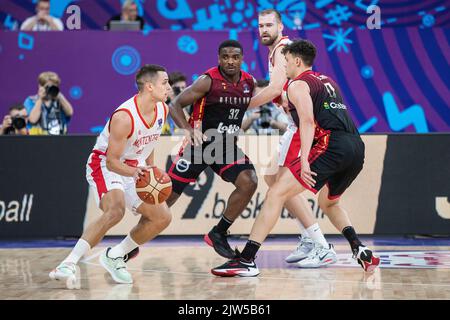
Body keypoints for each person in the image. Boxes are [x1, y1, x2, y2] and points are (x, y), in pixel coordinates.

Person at [212, 39, 380, 277]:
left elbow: (309, 121)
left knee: (276, 192)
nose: (285, 66)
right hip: (355, 147)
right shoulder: (327, 81)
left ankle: (247, 259)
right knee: (329, 202)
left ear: (297, 61)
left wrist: (303, 161)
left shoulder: (297, 84)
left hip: (331, 146)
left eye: (287, 61)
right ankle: (358, 247)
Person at [126, 40, 258, 261]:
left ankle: (218, 233)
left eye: (235, 57)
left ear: (242, 59)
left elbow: (251, 102)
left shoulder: (248, 82)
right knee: (165, 198)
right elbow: (175, 104)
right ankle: (130, 244)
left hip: (225, 146)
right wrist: (187, 129)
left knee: (249, 181)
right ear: (219, 58)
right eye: (225, 57)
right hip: (198, 146)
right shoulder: (207, 80)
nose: (230, 61)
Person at [49, 64, 172, 288]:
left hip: (137, 167)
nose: (169, 87)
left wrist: (151, 170)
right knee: (116, 210)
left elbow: (150, 142)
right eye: (165, 83)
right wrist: (136, 172)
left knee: (162, 217)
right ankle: (67, 264)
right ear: (149, 86)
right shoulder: (124, 117)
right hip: (105, 165)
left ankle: (115, 255)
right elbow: (112, 161)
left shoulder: (162, 109)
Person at [249, 9, 336, 266]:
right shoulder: (275, 50)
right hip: (292, 124)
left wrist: (243, 107)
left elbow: (275, 88)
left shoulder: (281, 49)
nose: (264, 30)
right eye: (260, 25)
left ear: (280, 26)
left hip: (299, 126)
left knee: (278, 186)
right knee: (272, 178)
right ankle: (311, 238)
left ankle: (319, 243)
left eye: (268, 25)